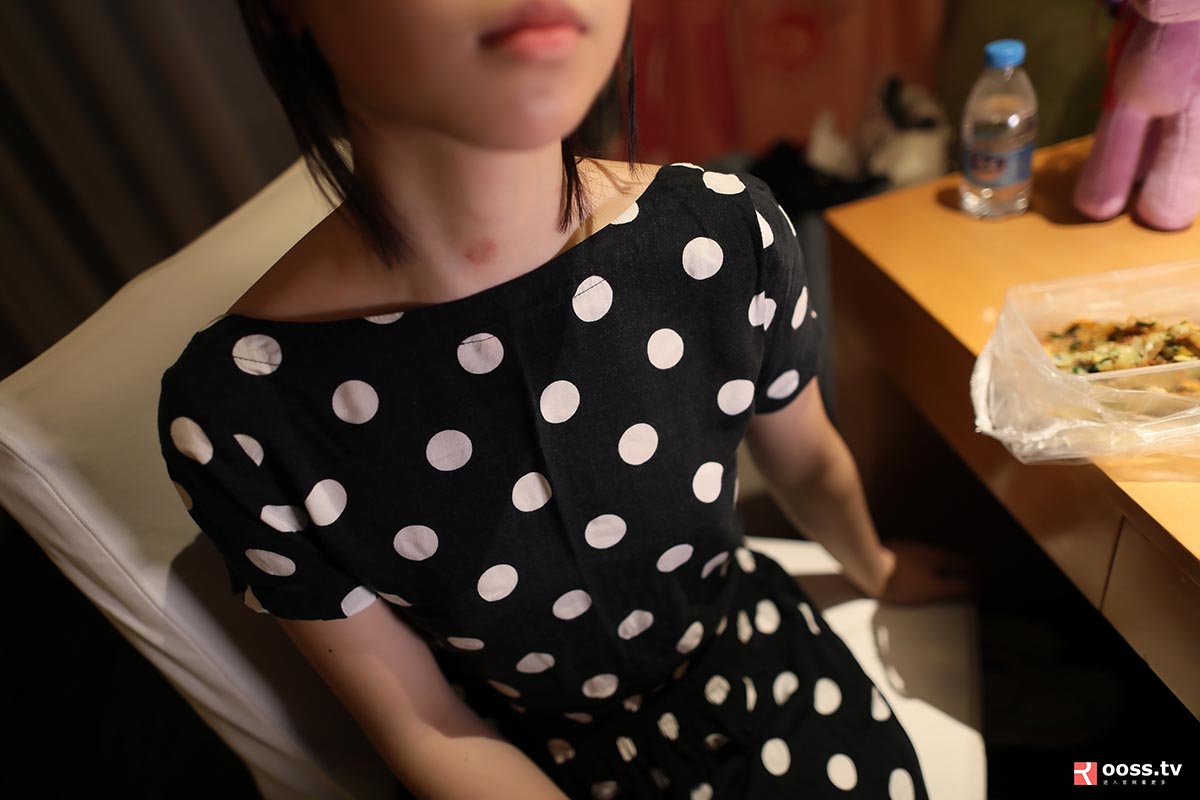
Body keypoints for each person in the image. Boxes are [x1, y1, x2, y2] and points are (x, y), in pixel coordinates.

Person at [157, 1, 978, 797]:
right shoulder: (238, 416)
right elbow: (425, 726)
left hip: (755, 673)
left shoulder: (729, 235)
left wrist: (874, 564)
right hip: (526, 756)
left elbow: (807, 460)